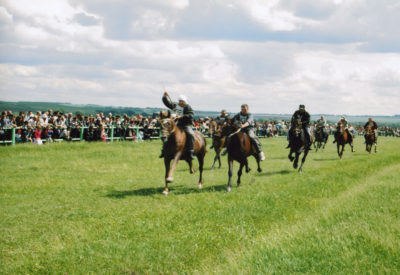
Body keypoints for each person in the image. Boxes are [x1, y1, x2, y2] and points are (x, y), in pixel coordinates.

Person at [161, 92, 195, 159]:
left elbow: (191, 115)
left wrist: (181, 117)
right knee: (168, 134)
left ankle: (190, 151)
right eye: (179, 101)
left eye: (182, 101)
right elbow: (167, 103)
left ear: (185, 101)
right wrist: (165, 97)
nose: (180, 102)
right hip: (178, 124)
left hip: (186, 125)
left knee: (190, 134)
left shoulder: (188, 107)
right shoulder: (175, 105)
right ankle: (164, 150)